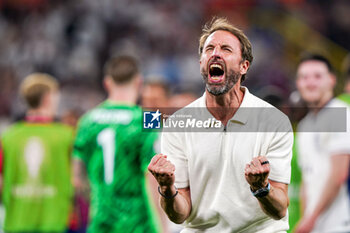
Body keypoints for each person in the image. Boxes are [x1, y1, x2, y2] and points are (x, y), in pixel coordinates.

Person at [148, 17, 293, 232]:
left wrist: (261, 188)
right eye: (209, 49)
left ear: (244, 66)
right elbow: (180, 214)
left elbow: (279, 209)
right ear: (201, 64)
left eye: (226, 49)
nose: (215, 53)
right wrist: (167, 189)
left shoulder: (273, 121)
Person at [73, 56, 167, 233]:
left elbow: (77, 178)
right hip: (137, 224)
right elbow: (153, 176)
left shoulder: (87, 121)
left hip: (101, 221)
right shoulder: (147, 120)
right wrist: (162, 226)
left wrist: (98, 197)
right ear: (139, 82)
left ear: (107, 83)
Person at [0, 73, 74, 232]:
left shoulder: (8, 137)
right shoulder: (66, 136)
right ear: (48, 98)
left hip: (16, 222)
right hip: (54, 223)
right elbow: (78, 178)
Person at [295, 54, 350, 233]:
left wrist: (310, 219)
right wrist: (306, 220)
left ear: (332, 80)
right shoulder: (304, 125)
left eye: (317, 76)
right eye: (304, 77)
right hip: (317, 227)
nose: (310, 82)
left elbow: (339, 174)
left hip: (341, 224)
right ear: (298, 84)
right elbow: (306, 180)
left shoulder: (339, 113)